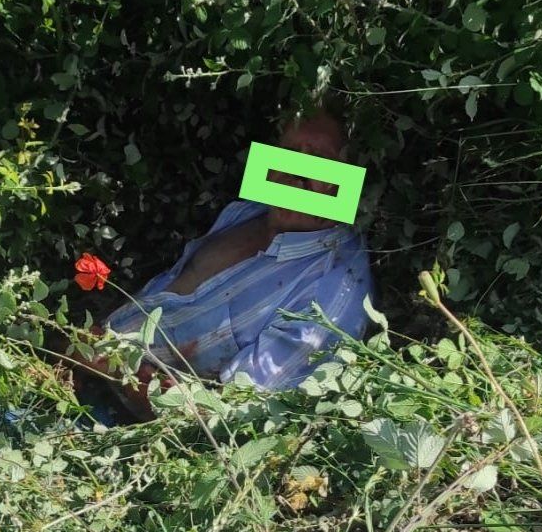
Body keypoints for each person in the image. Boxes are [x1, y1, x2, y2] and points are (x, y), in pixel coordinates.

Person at [69, 109, 375, 422]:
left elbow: (230, 416)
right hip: (81, 368)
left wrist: (116, 369)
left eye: (321, 162)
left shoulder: (332, 294)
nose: (299, 175)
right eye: (291, 155)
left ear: (350, 183)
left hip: (132, 433)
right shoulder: (246, 212)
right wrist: (80, 350)